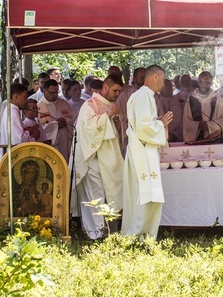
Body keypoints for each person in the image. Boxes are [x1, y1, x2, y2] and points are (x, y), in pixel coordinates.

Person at [121, 65, 173, 238]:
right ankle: (136, 235)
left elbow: (143, 124)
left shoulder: (146, 96)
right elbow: (143, 128)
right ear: (155, 77)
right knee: (142, 194)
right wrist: (161, 124)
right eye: (163, 79)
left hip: (146, 151)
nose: (164, 84)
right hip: (141, 153)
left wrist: (156, 122)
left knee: (150, 195)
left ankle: (146, 234)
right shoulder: (142, 96)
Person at [74, 75, 126, 239]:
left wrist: (117, 122)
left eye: (119, 91)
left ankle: (111, 230)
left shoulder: (111, 105)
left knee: (111, 192)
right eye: (115, 90)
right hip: (93, 157)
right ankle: (96, 232)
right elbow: (89, 129)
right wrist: (106, 116)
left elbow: (116, 131)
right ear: (105, 87)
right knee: (95, 195)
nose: (117, 94)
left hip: (109, 157)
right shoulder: (89, 105)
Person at [37, 79, 77, 162]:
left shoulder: (64, 104)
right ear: (44, 91)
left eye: (56, 92)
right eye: (52, 92)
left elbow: (74, 119)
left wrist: (66, 121)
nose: (55, 95)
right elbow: (39, 127)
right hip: (50, 143)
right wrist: (56, 124)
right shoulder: (38, 107)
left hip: (65, 140)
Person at [183, 71, 223, 142]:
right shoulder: (191, 99)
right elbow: (186, 122)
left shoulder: (219, 100)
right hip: (196, 140)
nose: (203, 85)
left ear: (211, 84)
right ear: (198, 82)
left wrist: (209, 125)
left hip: (214, 140)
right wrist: (197, 125)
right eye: (201, 82)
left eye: (207, 83)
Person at [116, 67, 146, 153]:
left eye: (145, 77)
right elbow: (118, 116)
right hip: (129, 138)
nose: (144, 80)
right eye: (141, 78)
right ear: (135, 79)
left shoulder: (154, 96)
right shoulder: (124, 96)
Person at [0, 82, 29, 160]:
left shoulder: (11, 111)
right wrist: (31, 132)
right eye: (24, 97)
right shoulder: (12, 113)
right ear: (16, 97)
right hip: (13, 156)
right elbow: (19, 139)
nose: (26, 100)